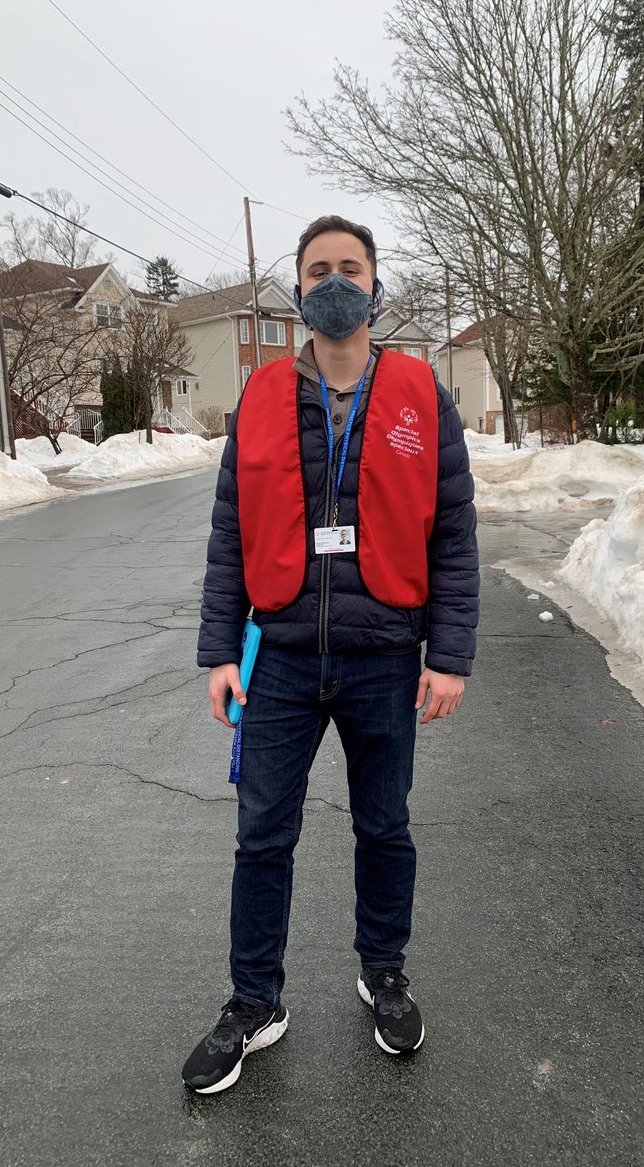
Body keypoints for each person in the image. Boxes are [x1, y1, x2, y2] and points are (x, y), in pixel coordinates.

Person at [182, 215, 479, 1094]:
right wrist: (219, 650)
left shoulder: (425, 397)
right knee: (261, 836)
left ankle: (383, 972)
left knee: (384, 826)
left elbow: (455, 535)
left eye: (351, 268)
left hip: (386, 654)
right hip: (277, 659)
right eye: (318, 270)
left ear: (377, 286)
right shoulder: (264, 398)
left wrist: (449, 655)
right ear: (299, 290)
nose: (335, 283)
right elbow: (231, 532)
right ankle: (253, 1002)